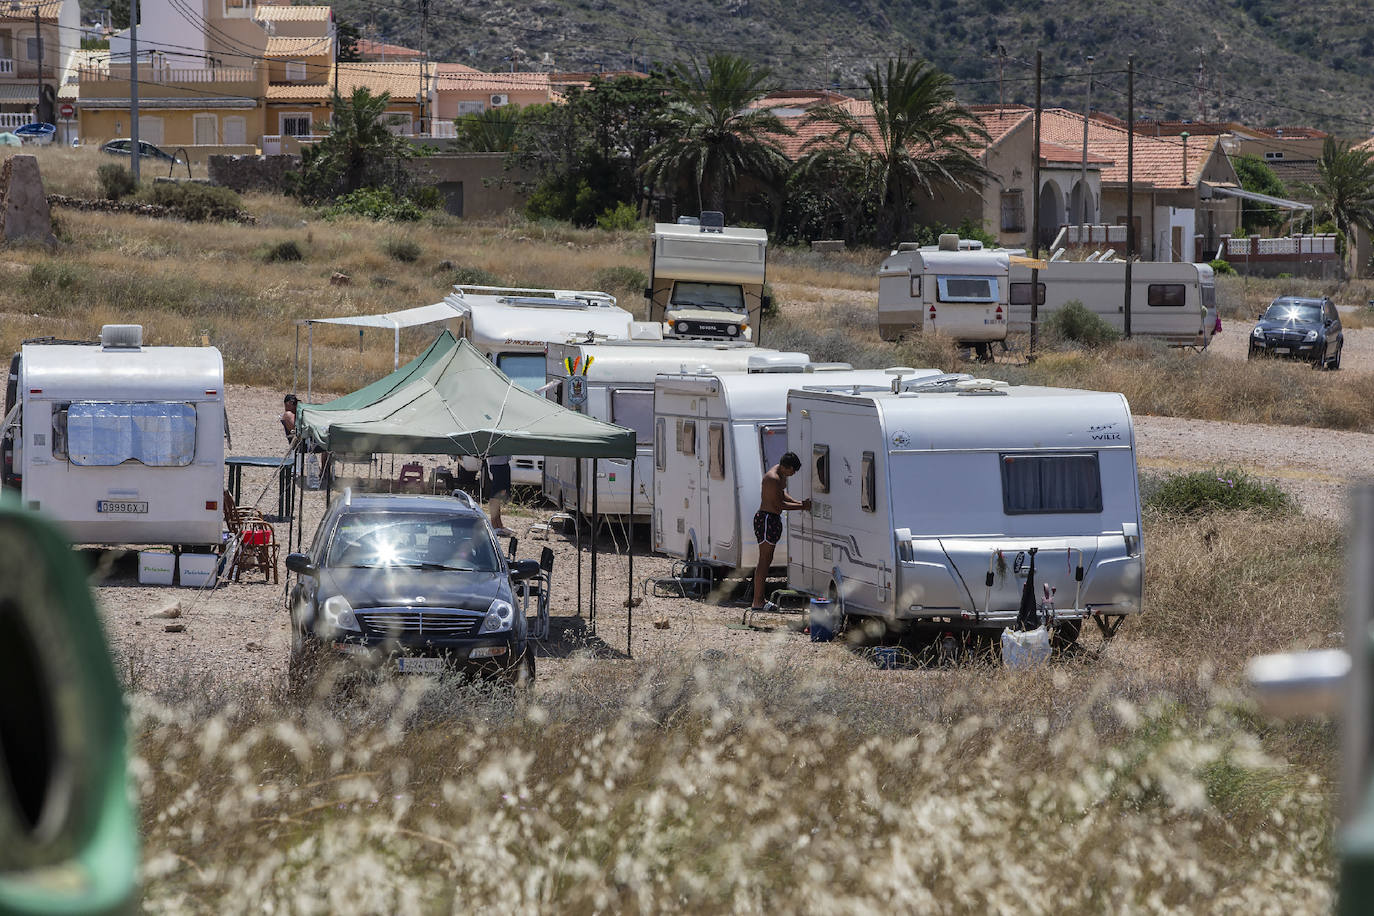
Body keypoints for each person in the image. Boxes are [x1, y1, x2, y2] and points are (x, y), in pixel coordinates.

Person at [750, 451, 811, 614]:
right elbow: (778, 505)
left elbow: (782, 494)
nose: (794, 474)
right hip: (767, 519)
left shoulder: (781, 475)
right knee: (763, 561)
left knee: (767, 560)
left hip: (773, 519)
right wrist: (802, 507)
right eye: (793, 471)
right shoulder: (772, 478)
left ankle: (760, 599)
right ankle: (757, 601)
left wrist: (799, 502)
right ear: (787, 467)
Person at [484, 455, 515, 537]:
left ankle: (500, 525)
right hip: (496, 464)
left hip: (504, 462)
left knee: (500, 494)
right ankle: (494, 525)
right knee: (495, 494)